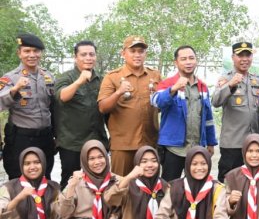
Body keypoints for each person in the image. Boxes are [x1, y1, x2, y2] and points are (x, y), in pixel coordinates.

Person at [98, 36, 161, 177]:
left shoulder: (155, 75)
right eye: (133, 51)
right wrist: (119, 92)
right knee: (120, 187)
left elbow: (162, 105)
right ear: (123, 53)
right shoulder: (112, 77)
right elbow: (102, 107)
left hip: (149, 143)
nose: (137, 55)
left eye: (141, 51)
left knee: (148, 188)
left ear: (146, 54)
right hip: (123, 145)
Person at [151, 45, 217, 181]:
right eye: (184, 59)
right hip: (173, 148)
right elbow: (156, 102)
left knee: (195, 186)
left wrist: (210, 142)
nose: (188, 62)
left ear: (196, 61)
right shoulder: (168, 83)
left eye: (191, 58)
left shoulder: (202, 87)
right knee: (169, 186)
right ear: (176, 62)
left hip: (196, 147)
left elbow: (208, 118)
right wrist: (173, 89)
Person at [0, 33, 56, 180]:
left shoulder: (48, 77)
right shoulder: (10, 78)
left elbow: (55, 107)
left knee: (45, 179)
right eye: (27, 51)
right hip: (21, 138)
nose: (32, 55)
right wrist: (14, 90)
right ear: (19, 53)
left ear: (41, 54)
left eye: (36, 51)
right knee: (19, 180)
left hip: (45, 137)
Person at [54, 40, 109, 189]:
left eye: (91, 54)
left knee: (98, 181)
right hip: (72, 143)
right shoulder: (66, 77)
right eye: (83, 54)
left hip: (97, 141)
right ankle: (67, 212)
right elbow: (62, 97)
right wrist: (79, 81)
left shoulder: (102, 80)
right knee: (70, 182)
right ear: (75, 57)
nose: (88, 58)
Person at [212, 41, 259, 182]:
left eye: (248, 55)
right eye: (240, 55)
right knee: (228, 183)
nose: (244, 59)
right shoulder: (226, 79)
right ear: (233, 57)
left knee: (252, 184)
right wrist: (230, 85)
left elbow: (258, 114)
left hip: (253, 145)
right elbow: (215, 101)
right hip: (232, 145)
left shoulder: (254, 81)